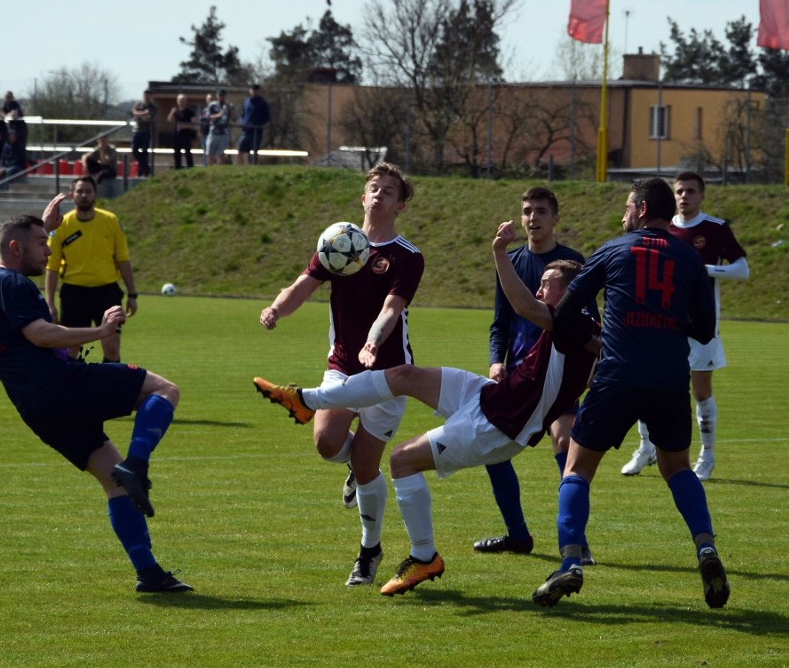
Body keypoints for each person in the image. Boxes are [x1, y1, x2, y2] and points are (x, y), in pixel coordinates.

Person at [255, 228, 600, 596]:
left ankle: (424, 557)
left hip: (499, 425)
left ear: (569, 291)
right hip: (491, 395)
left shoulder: (572, 322)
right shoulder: (585, 329)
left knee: (401, 460)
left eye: (547, 284)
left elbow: (522, 305)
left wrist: (499, 250)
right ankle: (305, 400)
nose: (539, 291)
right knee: (403, 374)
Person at [0, 203, 191, 593]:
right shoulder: (14, 283)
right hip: (61, 385)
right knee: (164, 390)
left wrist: (44, 226)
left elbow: (11, 245)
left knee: (114, 483)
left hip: (36, 408)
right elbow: (40, 334)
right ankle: (138, 464)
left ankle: (149, 574)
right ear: (16, 248)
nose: (50, 250)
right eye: (42, 243)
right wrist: (101, 331)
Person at [532, 177, 729, 610]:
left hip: (617, 376)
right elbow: (706, 329)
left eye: (626, 207)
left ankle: (569, 563)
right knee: (677, 469)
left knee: (576, 469)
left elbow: (565, 312)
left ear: (640, 209)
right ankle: (706, 549)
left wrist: (588, 341)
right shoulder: (690, 257)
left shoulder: (613, 249)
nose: (623, 215)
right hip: (669, 380)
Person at [256, 163, 423, 587]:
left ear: (400, 204)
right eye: (374, 188)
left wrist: (373, 340)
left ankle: (369, 549)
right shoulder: (338, 242)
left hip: (388, 373)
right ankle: (352, 467)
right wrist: (277, 308)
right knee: (327, 443)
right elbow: (303, 284)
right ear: (363, 197)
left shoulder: (407, 256)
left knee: (369, 468)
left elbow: (391, 309)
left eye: (389, 191)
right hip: (344, 364)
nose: (380, 195)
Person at [475, 187, 597, 566]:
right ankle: (517, 534)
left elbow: (589, 324)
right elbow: (501, 323)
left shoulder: (573, 263)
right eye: (527, 210)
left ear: (555, 218)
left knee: (564, 442)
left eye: (541, 210)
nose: (532, 217)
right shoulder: (510, 262)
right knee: (492, 451)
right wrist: (497, 361)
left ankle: (577, 542)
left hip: (559, 375)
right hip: (519, 378)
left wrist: (594, 368)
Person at [621, 171, 749, 481]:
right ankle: (646, 447)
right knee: (647, 383)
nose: (684, 196)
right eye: (679, 191)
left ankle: (707, 455)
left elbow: (742, 270)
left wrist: (704, 268)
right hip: (662, 324)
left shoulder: (715, 229)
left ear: (701, 195)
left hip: (701, 326)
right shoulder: (662, 228)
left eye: (690, 191)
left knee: (701, 391)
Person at [44, 176, 138, 363]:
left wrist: (132, 295)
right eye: (80, 191)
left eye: (88, 191)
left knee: (111, 347)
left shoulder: (110, 221)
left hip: (107, 293)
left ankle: (110, 390)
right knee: (70, 350)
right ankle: (71, 390)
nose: (84, 195)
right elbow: (52, 267)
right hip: (74, 294)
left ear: (95, 194)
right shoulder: (62, 225)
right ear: (72, 195)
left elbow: (123, 260)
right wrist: (50, 302)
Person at [0, 130, 27, 195]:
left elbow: (18, 160)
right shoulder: (6, 146)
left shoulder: (20, 147)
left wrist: (5, 167)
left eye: (13, 136)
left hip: (16, 166)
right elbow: (2, 158)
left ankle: (6, 192)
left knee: (9, 171)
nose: (11, 138)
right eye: (10, 136)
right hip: (5, 166)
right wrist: (1, 166)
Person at [237, 84, 270, 164]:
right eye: (252, 89)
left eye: (256, 90)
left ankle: (253, 167)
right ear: (249, 90)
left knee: (253, 152)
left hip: (256, 131)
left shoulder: (262, 103)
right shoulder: (246, 102)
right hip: (245, 131)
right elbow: (242, 114)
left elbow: (267, 117)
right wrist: (243, 123)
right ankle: (240, 169)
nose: (254, 91)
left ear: (258, 91)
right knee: (240, 150)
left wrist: (258, 124)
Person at [131, 91, 157, 177]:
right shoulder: (138, 104)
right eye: (145, 95)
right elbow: (133, 113)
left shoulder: (153, 107)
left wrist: (139, 114)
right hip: (137, 131)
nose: (146, 97)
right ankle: (146, 168)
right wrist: (143, 114)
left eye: (148, 96)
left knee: (144, 152)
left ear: (150, 96)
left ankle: (142, 172)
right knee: (134, 150)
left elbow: (148, 119)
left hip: (146, 132)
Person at [167, 94, 196, 170]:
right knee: (176, 153)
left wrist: (186, 126)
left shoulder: (190, 112)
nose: (182, 102)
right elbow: (169, 120)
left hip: (186, 135)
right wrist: (171, 112)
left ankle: (190, 168)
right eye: (180, 101)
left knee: (187, 153)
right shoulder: (175, 111)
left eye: (183, 101)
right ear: (177, 102)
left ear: (186, 102)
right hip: (177, 134)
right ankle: (177, 168)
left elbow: (195, 124)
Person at [206, 88, 235, 165]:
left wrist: (229, 108)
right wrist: (219, 115)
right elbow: (208, 118)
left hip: (224, 132)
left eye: (223, 95)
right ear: (217, 96)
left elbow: (234, 118)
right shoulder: (212, 105)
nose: (221, 97)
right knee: (210, 152)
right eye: (220, 95)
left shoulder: (229, 105)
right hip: (213, 131)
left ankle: (220, 169)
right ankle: (210, 170)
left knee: (221, 153)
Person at [198, 92, 215, 166]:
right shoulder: (204, 110)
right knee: (205, 153)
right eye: (209, 99)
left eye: (211, 99)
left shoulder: (216, 110)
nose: (210, 101)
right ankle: (206, 167)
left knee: (212, 153)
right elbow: (200, 121)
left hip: (212, 135)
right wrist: (200, 131)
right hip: (204, 135)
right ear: (206, 100)